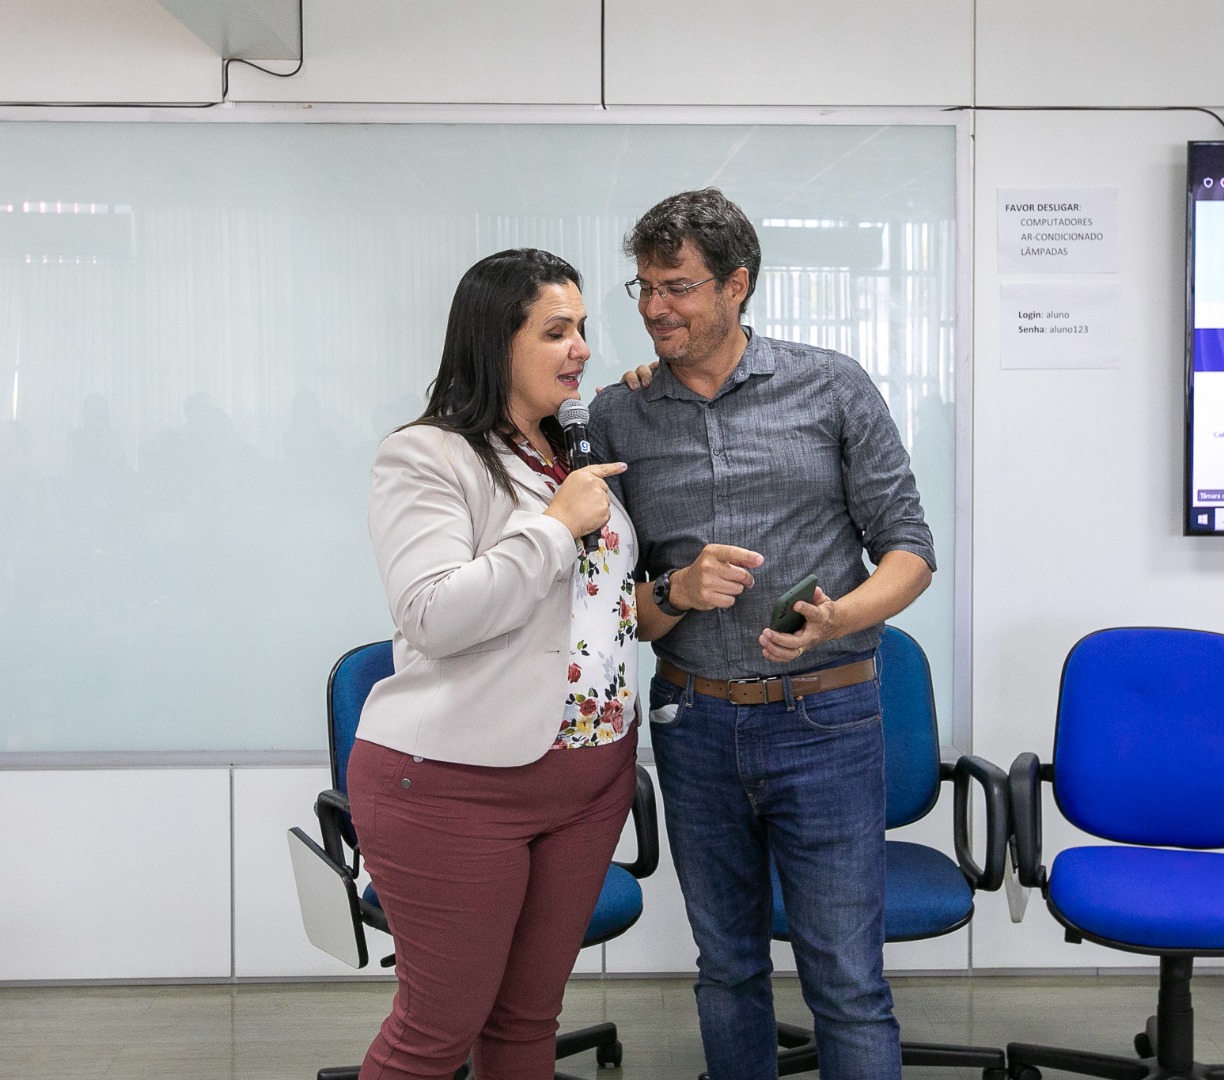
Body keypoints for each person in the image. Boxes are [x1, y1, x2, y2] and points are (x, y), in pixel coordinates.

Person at [590, 188, 936, 1080]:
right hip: (693, 720)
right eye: (644, 287)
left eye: (678, 287)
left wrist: (841, 618)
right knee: (727, 969)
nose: (655, 308)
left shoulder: (831, 385)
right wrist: (676, 588)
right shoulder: (619, 414)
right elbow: (614, 610)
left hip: (826, 721)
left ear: (736, 284)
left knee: (847, 980)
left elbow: (910, 551)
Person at [347, 248, 638, 1080]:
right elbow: (434, 615)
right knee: (436, 1032)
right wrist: (554, 527)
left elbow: (588, 609)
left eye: (583, 327)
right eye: (557, 331)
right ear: (493, 341)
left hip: (590, 782)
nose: (582, 347)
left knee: (525, 1023)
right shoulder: (428, 455)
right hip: (455, 786)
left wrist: (675, 593)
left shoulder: (567, 454)